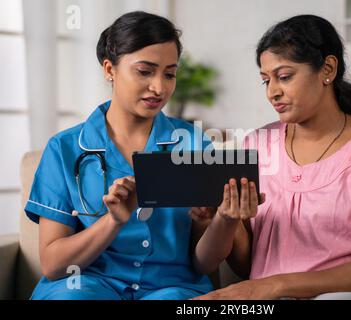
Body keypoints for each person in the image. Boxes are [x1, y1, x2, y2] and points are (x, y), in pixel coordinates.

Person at [193, 15, 351, 300]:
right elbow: (250, 267)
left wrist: (277, 285)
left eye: (284, 77)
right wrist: (227, 218)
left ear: (327, 69)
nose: (272, 92)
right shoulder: (257, 145)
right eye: (266, 80)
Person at [24, 11, 220, 300]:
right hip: (87, 285)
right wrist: (113, 221)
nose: (159, 87)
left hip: (169, 288)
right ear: (109, 69)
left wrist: (218, 220)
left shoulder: (193, 144)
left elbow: (204, 262)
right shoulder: (64, 148)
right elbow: (54, 264)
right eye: (145, 71)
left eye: (169, 74)